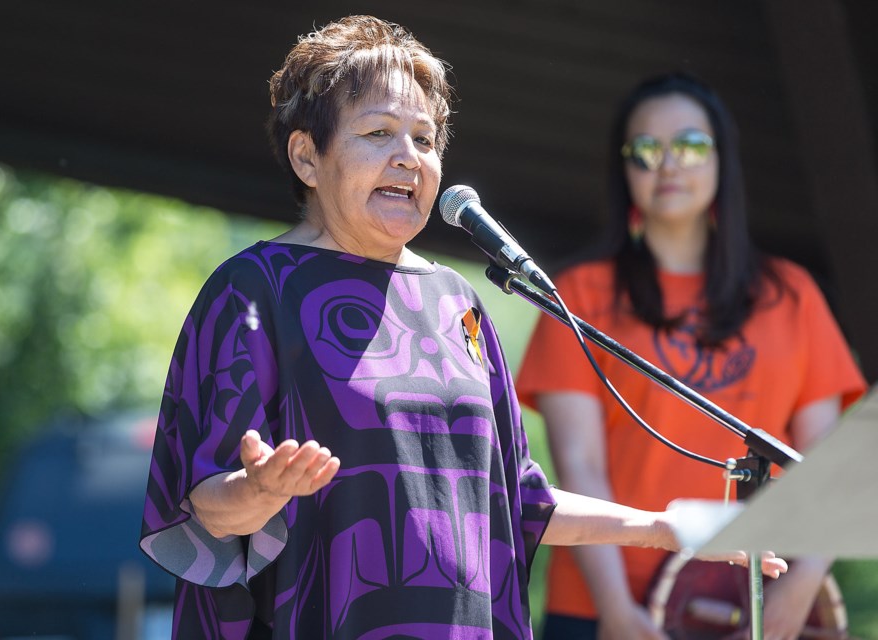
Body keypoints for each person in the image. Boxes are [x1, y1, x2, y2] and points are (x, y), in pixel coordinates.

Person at [139, 24, 785, 639]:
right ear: (308, 156)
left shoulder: (457, 302)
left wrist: (662, 528)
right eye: (379, 132)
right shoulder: (254, 289)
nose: (408, 158)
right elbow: (198, 509)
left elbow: (516, 498)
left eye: (425, 139)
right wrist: (258, 492)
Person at [516, 72, 867, 640]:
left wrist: (797, 589)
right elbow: (581, 466)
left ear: (723, 160)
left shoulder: (792, 295)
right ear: (623, 169)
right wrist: (617, 612)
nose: (668, 164)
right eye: (646, 149)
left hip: (750, 606)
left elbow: (825, 468)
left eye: (691, 145)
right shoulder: (576, 295)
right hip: (602, 611)